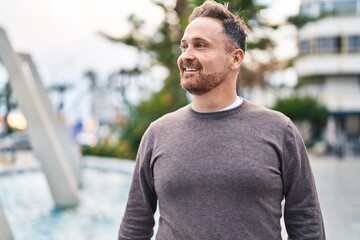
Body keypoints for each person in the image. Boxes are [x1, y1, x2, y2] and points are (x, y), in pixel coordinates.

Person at [118, 0, 325, 239]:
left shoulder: (279, 130)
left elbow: (307, 224)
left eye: (200, 46)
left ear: (235, 58)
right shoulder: (157, 133)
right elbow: (135, 226)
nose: (186, 56)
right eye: (184, 47)